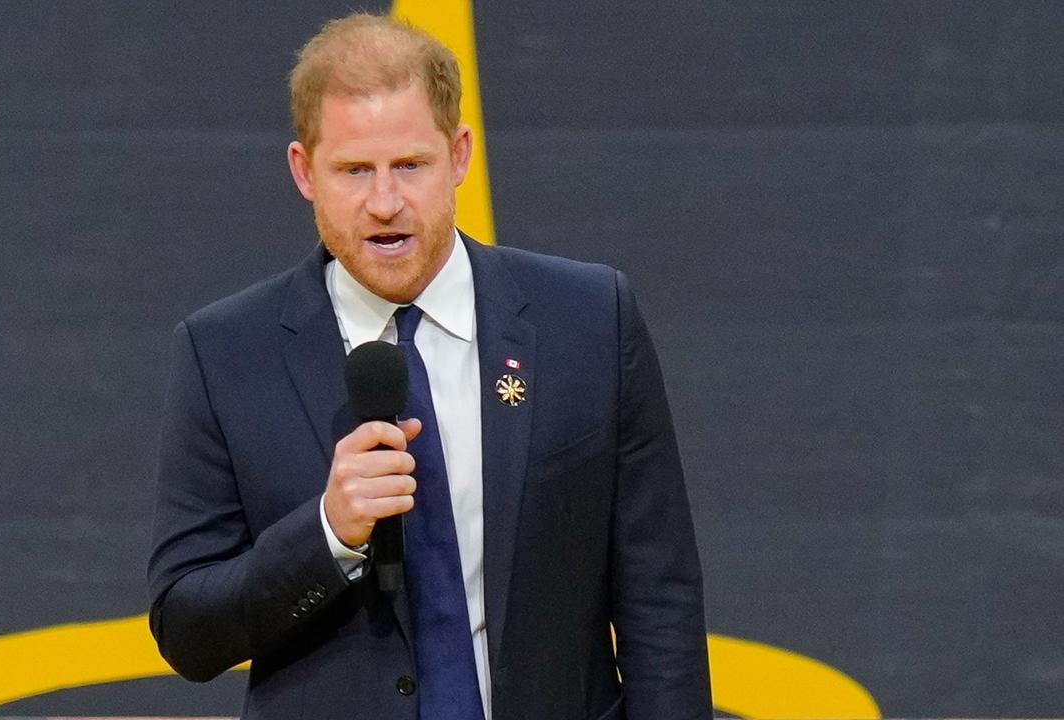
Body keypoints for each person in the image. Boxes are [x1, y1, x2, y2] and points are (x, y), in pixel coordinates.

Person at [147, 13, 710, 720]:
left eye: (409, 165)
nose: (384, 203)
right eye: (353, 170)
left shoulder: (588, 319)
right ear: (303, 172)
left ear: (460, 155)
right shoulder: (225, 353)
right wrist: (328, 532)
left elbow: (660, 596)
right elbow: (186, 631)